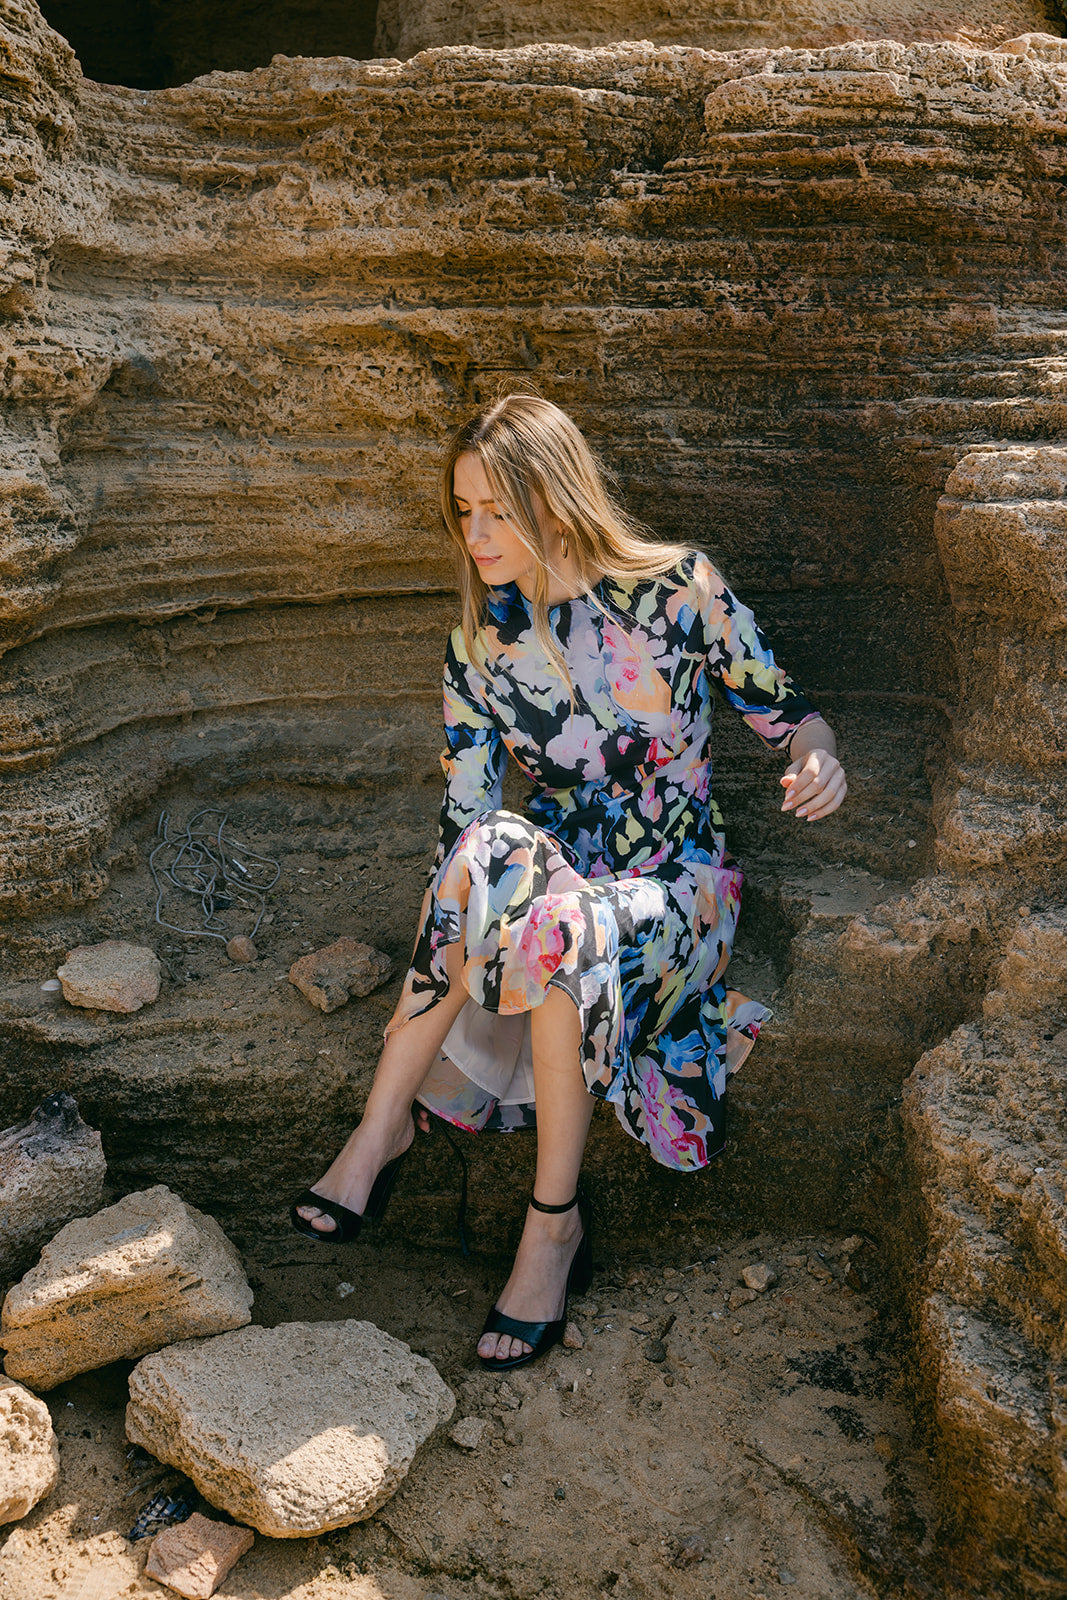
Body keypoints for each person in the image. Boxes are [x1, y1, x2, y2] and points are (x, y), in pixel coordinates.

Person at [292, 394, 846, 1370]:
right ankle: (379, 1131)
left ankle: (551, 1227)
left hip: (677, 885)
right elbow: (464, 824)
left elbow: (788, 714)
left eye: (493, 510)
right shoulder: (483, 642)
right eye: (461, 512)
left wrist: (815, 758)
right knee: (481, 859)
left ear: (551, 498)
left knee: (560, 926)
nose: (475, 534)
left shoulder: (679, 586)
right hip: (556, 878)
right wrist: (459, 918)